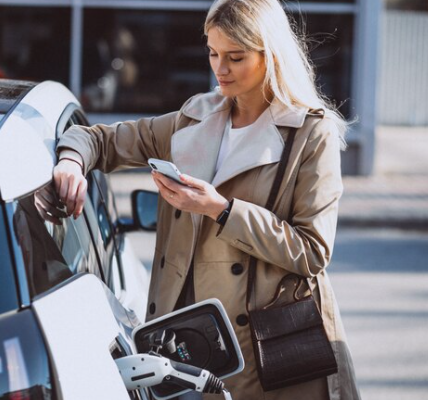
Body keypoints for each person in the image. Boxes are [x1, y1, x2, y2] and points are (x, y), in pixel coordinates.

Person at [52, 0, 360, 398]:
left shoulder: (308, 133)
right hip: (190, 344)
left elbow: (312, 251)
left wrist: (220, 209)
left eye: (236, 57)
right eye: (213, 53)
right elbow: (101, 139)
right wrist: (71, 162)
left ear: (271, 56)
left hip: (268, 349)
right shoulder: (194, 117)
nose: (220, 68)